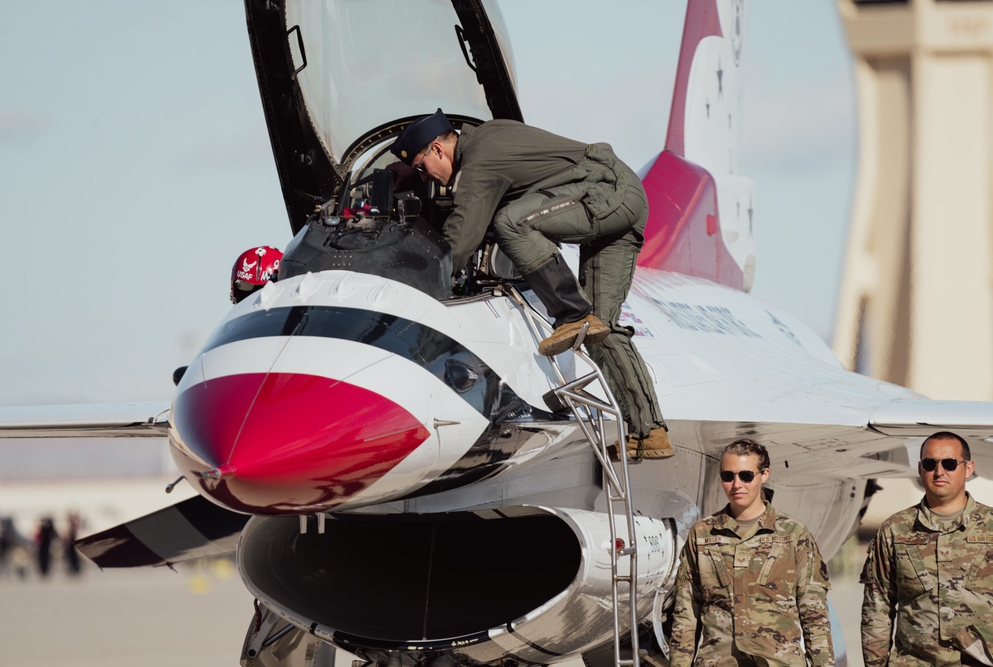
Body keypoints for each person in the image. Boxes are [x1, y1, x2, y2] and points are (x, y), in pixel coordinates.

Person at [390, 109, 671, 458]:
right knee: (600, 328)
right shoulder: (488, 137)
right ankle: (649, 432)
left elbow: (461, 239)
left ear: (438, 149)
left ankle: (571, 312)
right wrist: (409, 175)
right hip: (623, 195)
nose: (425, 176)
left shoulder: (479, 165)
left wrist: (418, 278)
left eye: (422, 167)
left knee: (513, 223)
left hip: (606, 193)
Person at [668, 438, 834, 666]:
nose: (737, 485)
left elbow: (814, 613)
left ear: (764, 474)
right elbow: (686, 614)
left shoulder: (793, 533)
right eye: (728, 476)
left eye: (746, 476)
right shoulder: (702, 534)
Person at [860, 431, 993, 666]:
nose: (939, 472)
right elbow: (877, 607)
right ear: (921, 469)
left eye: (950, 464)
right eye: (931, 464)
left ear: (969, 468)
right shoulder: (896, 529)